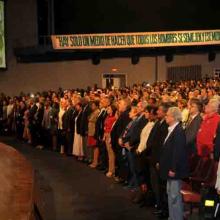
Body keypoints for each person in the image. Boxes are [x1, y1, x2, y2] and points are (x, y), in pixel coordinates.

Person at [160, 107, 189, 220]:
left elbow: (178, 152)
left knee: (174, 197)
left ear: (173, 117)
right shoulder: (172, 129)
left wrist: (173, 168)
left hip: (174, 170)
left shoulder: (178, 131)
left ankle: (176, 218)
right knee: (170, 195)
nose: (165, 117)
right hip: (170, 169)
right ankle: (172, 217)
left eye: (167, 115)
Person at [103, 104, 117, 177]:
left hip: (110, 136)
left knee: (111, 154)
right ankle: (110, 169)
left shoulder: (114, 118)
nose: (107, 109)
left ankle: (111, 170)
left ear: (112, 110)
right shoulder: (108, 116)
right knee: (109, 153)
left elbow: (112, 129)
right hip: (106, 135)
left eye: (109, 108)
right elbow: (105, 126)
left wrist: (108, 136)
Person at [88, 100, 100, 166]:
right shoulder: (93, 112)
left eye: (93, 105)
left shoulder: (97, 112)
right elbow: (89, 118)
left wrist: (90, 119)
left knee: (95, 147)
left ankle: (95, 162)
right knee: (93, 147)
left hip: (94, 131)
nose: (92, 106)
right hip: (91, 131)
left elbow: (93, 120)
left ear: (97, 106)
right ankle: (94, 160)